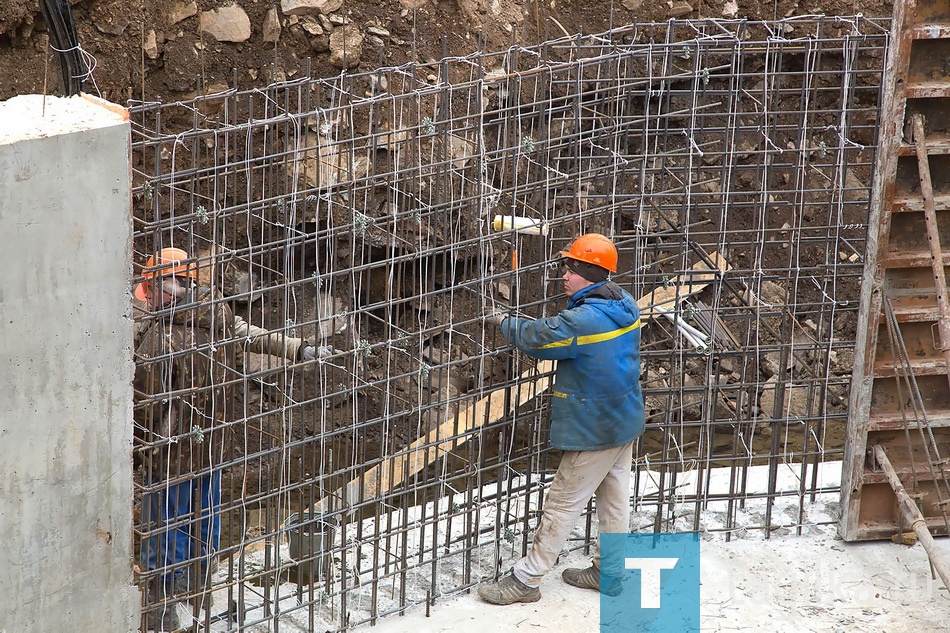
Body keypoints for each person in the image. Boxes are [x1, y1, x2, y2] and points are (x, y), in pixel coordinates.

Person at [132, 247, 322, 630]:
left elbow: (143, 408)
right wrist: (300, 348)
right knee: (205, 524)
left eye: (149, 293)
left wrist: (137, 455)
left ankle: (164, 610)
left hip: (170, 455)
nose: (146, 301)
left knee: (165, 529)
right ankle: (198, 598)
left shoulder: (161, 340)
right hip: (215, 448)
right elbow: (252, 335)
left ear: (163, 289)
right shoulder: (218, 319)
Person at [478, 233, 645, 605]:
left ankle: (526, 579)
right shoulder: (624, 302)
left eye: (570, 268)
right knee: (614, 499)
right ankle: (609, 572)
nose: (564, 276)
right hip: (625, 417)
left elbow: (540, 339)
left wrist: (503, 322)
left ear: (587, 271)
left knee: (563, 502)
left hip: (596, 426)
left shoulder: (585, 320)